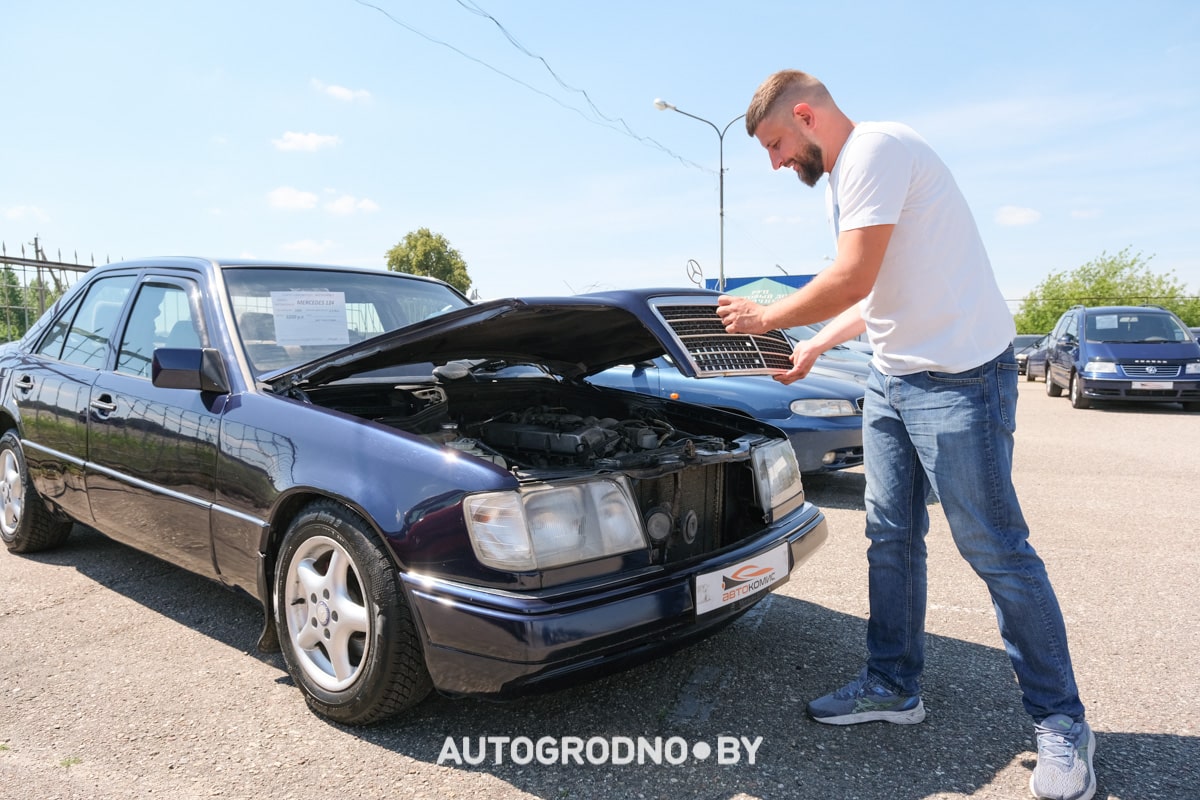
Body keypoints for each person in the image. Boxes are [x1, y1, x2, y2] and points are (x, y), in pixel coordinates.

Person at [716, 70, 1095, 800]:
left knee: (994, 547)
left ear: (804, 114)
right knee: (889, 534)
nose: (774, 163)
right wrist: (818, 346)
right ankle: (892, 685)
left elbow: (854, 275)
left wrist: (771, 318)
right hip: (892, 380)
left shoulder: (876, 152)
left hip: (957, 379)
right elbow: (882, 291)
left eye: (774, 144)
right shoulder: (847, 177)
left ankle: (1062, 722)